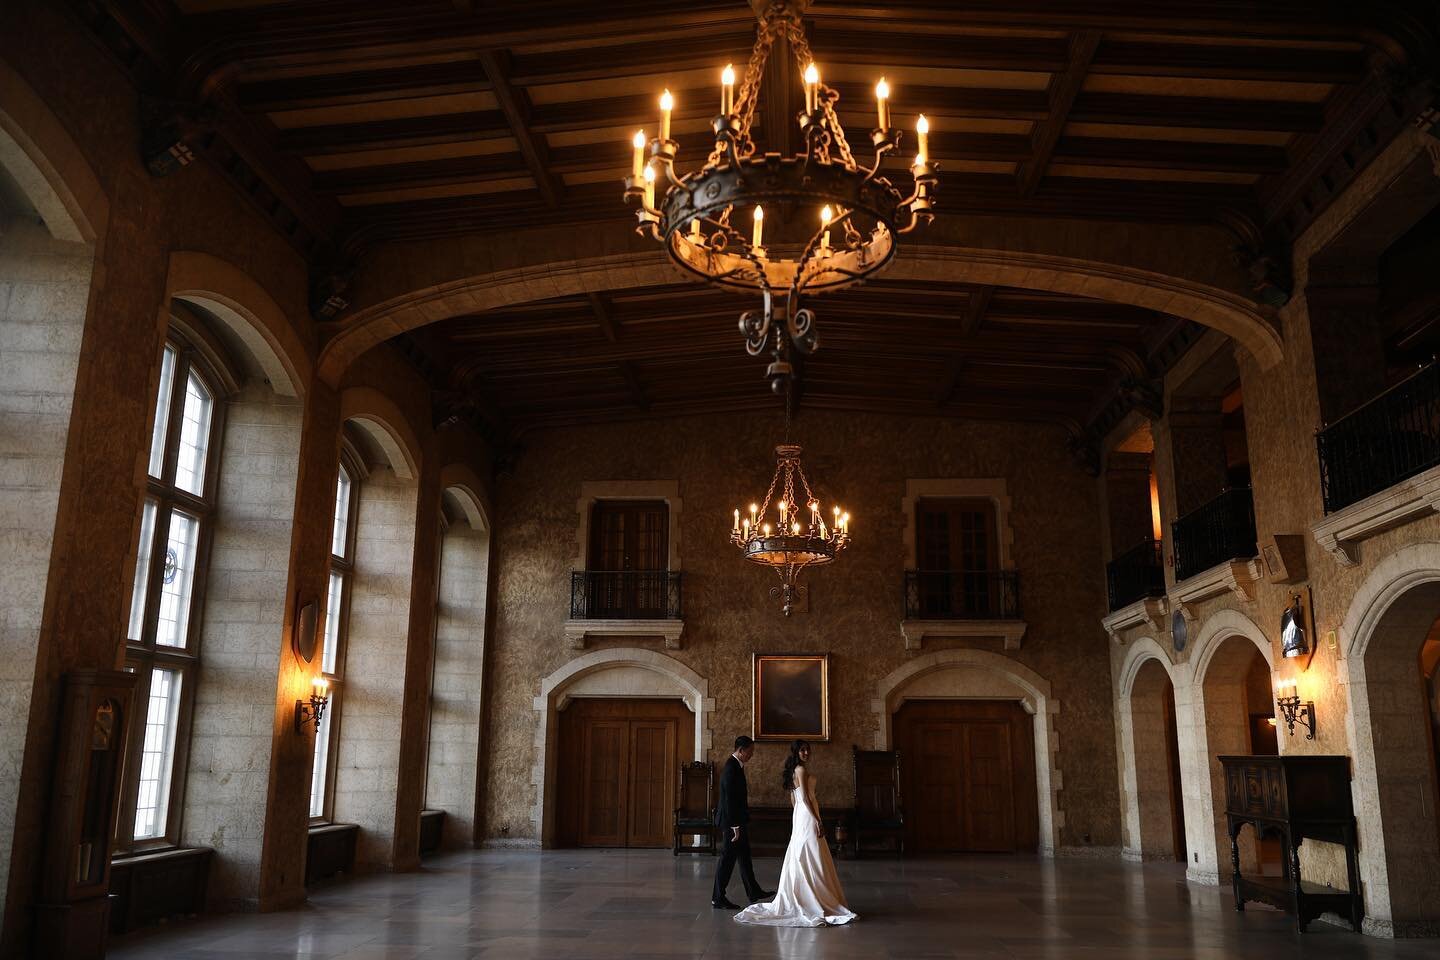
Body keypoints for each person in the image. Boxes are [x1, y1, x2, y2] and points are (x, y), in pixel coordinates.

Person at [734, 740, 856, 926]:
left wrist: (799, 814)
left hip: (801, 814)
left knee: (806, 851)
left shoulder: (795, 771)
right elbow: (806, 798)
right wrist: (816, 820)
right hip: (807, 814)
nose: (806, 752)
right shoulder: (801, 770)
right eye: (802, 750)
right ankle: (813, 897)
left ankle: (810, 894)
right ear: (796, 752)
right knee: (811, 851)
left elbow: (794, 799)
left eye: (808, 749)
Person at [712, 735, 772, 909]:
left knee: (744, 857)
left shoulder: (737, 766)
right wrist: (735, 827)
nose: (752, 755)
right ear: (741, 750)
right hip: (732, 823)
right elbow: (730, 801)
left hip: (737, 821)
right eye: (750, 751)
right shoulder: (731, 768)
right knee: (727, 859)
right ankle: (718, 897)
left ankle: (753, 891)